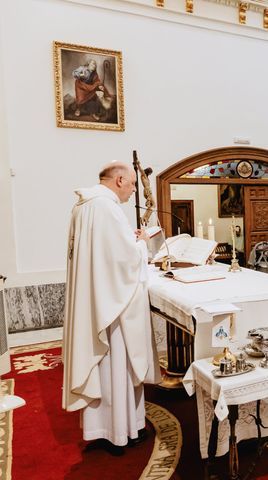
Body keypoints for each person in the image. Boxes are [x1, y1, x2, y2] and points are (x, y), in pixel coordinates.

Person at [62, 161, 160, 455]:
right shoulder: (106, 207)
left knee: (103, 368)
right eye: (131, 185)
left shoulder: (84, 205)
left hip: (97, 297)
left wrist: (129, 243)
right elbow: (125, 261)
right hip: (113, 307)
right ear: (119, 180)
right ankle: (122, 432)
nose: (132, 192)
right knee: (117, 364)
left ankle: (102, 428)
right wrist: (142, 243)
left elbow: (104, 253)